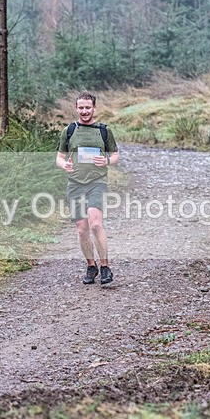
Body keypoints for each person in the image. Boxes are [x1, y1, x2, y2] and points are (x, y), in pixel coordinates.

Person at [56, 92, 119, 285]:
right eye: (81, 108)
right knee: (82, 229)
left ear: (94, 108)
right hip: (75, 184)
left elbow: (115, 155)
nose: (84, 111)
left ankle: (105, 267)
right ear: (76, 108)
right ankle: (91, 266)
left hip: (97, 182)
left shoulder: (103, 130)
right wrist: (64, 165)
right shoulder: (69, 130)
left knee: (95, 224)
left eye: (88, 108)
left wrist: (107, 160)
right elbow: (59, 157)